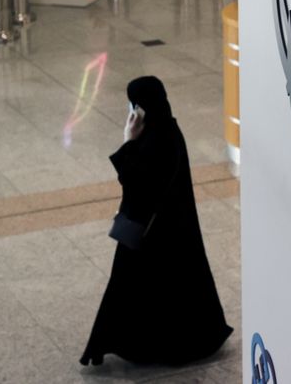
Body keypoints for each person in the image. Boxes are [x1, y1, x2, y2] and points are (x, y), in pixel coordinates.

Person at [80, 76, 233, 367]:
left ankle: (110, 346)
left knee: (127, 289)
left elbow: (135, 181)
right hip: (171, 232)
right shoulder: (168, 131)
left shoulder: (157, 139)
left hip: (150, 234)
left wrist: (128, 141)